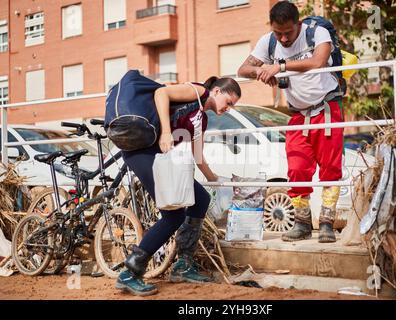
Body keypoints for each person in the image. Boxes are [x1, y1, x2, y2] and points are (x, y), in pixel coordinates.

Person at [115, 76, 241, 296]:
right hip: (143, 151)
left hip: (159, 156)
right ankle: (130, 272)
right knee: (173, 216)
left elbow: (198, 156)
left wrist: (216, 180)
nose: (228, 109)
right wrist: (165, 131)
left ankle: (183, 265)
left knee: (201, 198)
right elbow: (161, 93)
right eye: (229, 102)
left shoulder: (202, 119)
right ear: (217, 91)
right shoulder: (198, 92)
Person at [238, 1, 344, 244]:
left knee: (330, 169)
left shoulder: (316, 32)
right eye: (278, 33)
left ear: (298, 24)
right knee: (296, 168)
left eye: (288, 32)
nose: (284, 39)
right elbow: (243, 68)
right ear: (272, 28)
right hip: (298, 114)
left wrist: (280, 66)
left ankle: (327, 223)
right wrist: (263, 70)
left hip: (327, 107)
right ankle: (302, 222)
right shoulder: (269, 41)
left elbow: (318, 61)